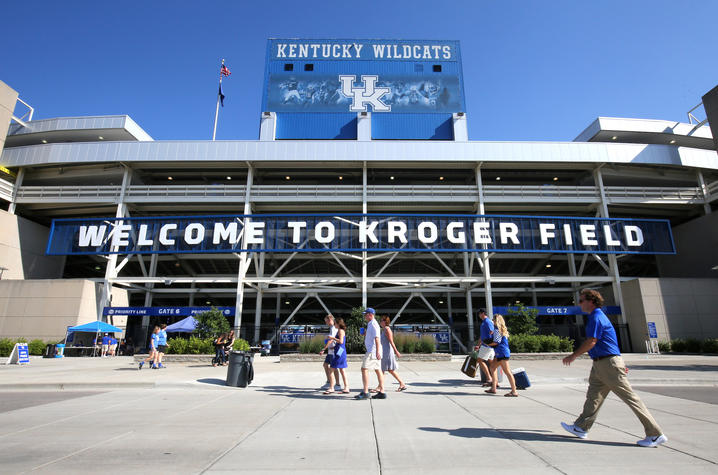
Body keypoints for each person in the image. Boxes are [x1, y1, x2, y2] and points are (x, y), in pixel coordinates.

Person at [561, 289, 667, 448]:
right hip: (600, 364)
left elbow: (591, 341)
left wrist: (573, 356)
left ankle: (655, 434)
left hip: (607, 363)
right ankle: (581, 427)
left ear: (591, 301)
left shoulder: (596, 317)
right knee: (594, 396)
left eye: (582, 300)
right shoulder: (597, 316)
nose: (579, 303)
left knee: (630, 398)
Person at [485, 314, 519, 397]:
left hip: (502, 353)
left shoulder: (497, 330)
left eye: (493, 319)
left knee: (507, 372)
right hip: (501, 352)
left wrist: (487, 344)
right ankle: (493, 388)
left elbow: (496, 342)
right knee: (492, 367)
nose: (492, 321)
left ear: (496, 321)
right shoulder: (501, 330)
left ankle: (514, 391)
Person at [355, 307, 385, 400]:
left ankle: (365, 392)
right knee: (378, 369)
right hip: (375, 350)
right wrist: (365, 334)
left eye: (366, 314)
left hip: (372, 351)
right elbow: (373, 336)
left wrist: (377, 352)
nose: (364, 316)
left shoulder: (373, 324)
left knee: (364, 369)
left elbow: (377, 338)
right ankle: (382, 392)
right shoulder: (371, 324)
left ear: (370, 315)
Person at [378, 316, 407, 392]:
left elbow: (391, 341)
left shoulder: (387, 329)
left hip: (387, 352)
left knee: (385, 370)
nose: (380, 322)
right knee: (387, 370)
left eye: (381, 321)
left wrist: (396, 351)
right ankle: (401, 383)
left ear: (385, 322)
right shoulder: (383, 330)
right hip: (384, 351)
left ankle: (380, 387)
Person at [323, 318, 349, 394]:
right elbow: (342, 343)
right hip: (341, 351)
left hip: (339, 352)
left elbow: (340, 341)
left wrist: (332, 338)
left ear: (338, 324)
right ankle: (346, 387)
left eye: (335, 323)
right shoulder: (341, 330)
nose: (334, 325)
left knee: (331, 369)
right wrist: (334, 347)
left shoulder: (340, 331)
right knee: (342, 370)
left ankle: (331, 387)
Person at [318, 314, 340, 391]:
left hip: (334, 351)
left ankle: (337, 384)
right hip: (331, 351)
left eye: (326, 321)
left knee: (334, 367)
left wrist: (324, 349)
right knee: (325, 365)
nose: (326, 323)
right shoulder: (332, 328)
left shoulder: (334, 328)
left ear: (330, 320)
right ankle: (329, 381)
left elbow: (331, 339)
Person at [474, 308, 495, 387]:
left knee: (480, 360)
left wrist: (488, 342)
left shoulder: (487, 321)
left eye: (479, 314)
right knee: (490, 363)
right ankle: (494, 380)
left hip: (486, 345)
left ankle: (489, 378)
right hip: (487, 345)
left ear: (483, 313)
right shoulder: (484, 322)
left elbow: (491, 331)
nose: (479, 315)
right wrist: (478, 345)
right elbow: (482, 336)